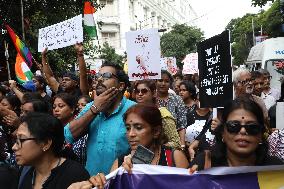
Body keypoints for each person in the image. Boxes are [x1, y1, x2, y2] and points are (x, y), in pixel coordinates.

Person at [68, 104, 189, 189]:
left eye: (138, 127)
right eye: (127, 128)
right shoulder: (120, 164)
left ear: (156, 131)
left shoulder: (173, 157)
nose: (131, 134)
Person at [64, 62, 136, 175]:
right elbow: (68, 135)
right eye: (98, 76)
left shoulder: (134, 110)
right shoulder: (91, 107)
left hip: (122, 181)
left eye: (106, 76)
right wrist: (94, 110)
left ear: (121, 85)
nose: (100, 80)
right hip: (92, 182)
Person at [190, 97, 283, 171]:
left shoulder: (275, 168)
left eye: (252, 127)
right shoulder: (204, 164)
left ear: (261, 135)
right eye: (234, 126)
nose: (242, 131)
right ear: (223, 133)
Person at [13, 112, 89, 189]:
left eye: (21, 139)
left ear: (46, 143)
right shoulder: (27, 171)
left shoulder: (74, 175)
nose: (14, 147)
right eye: (16, 141)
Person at [134, 80, 180, 148]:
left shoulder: (163, 114)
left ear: (154, 93)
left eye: (144, 91)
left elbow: (176, 143)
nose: (140, 94)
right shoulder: (134, 113)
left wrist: (156, 149)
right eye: (137, 91)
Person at [156, 70, 187, 149]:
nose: (163, 84)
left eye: (166, 81)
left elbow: (181, 125)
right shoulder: (151, 99)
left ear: (170, 84)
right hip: (154, 144)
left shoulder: (177, 99)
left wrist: (182, 145)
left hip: (174, 144)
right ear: (155, 82)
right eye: (160, 80)